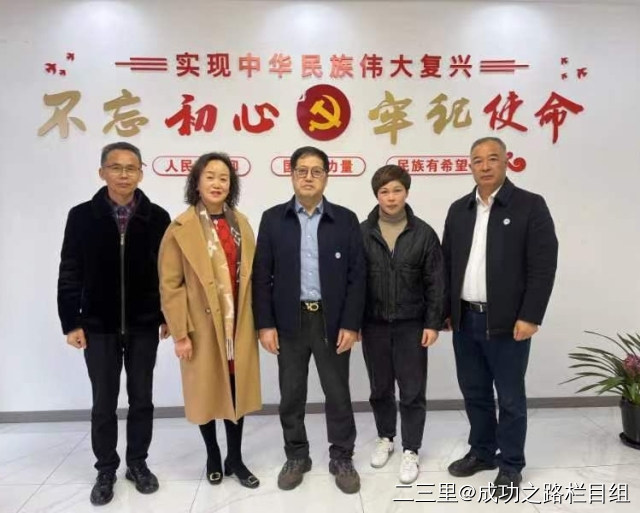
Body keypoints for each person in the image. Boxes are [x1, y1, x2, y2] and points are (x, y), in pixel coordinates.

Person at [442, 136, 558, 498]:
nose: (485, 166)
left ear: (506, 162)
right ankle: (481, 452)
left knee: (509, 397)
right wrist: (447, 311)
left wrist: (531, 315)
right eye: (478, 160)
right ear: (470, 167)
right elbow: (446, 264)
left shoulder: (530, 205)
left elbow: (543, 265)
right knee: (474, 392)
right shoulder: (459, 209)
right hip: (465, 320)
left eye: (493, 158)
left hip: (508, 322)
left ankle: (510, 464)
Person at [57, 141, 170, 505]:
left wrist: (166, 316)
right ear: (102, 172)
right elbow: (69, 270)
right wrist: (71, 322)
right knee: (103, 402)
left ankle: (137, 463)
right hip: (98, 325)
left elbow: (168, 274)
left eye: (131, 168)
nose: (124, 174)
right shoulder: (81, 216)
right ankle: (106, 468)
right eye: (116, 167)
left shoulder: (158, 217)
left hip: (143, 324)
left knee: (142, 399)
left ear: (141, 173)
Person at [252, 146, 366, 494]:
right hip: (289, 321)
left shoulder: (345, 219)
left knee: (338, 392)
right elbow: (262, 275)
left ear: (326, 177)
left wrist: (351, 324)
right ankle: (297, 456)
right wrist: (265, 325)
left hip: (332, 321)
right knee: (291, 393)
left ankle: (342, 456)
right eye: (302, 170)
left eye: (316, 171)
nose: (308, 177)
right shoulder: (273, 219)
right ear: (292, 175)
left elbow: (357, 276)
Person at [158, 152, 261, 490]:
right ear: (197, 182)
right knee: (205, 392)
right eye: (210, 176)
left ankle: (236, 458)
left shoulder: (241, 223)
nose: (217, 183)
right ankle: (213, 455)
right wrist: (180, 333)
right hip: (200, 328)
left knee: (236, 390)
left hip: (237, 325)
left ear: (231, 185)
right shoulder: (181, 228)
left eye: (224, 178)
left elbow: (254, 276)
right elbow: (170, 285)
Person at [360, 164, 445, 484]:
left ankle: (411, 448)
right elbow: (354, 282)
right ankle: (386, 438)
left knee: (412, 390)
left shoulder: (423, 233)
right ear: (376, 195)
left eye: (397, 190)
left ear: (406, 192)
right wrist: (354, 323)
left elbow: (436, 282)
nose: (391, 197)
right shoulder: (362, 232)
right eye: (384, 191)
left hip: (412, 325)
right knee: (380, 388)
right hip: (374, 324)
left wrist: (433, 323)